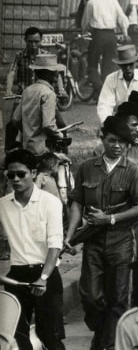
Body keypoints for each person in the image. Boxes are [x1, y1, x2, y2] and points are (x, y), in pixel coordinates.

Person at [64, 116, 138, 350]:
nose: (117, 146)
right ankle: (102, 331)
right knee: (91, 297)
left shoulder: (134, 171)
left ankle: (111, 344)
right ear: (102, 139)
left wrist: (110, 218)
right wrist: (70, 235)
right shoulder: (86, 168)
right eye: (112, 140)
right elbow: (77, 202)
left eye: (122, 142)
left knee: (119, 299)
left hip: (121, 242)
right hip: (92, 242)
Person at [0, 150, 65, 350]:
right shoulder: (2, 205)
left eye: (21, 174)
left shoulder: (50, 203)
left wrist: (43, 278)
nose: (16, 179)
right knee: (15, 337)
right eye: (11, 175)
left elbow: (55, 245)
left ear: (34, 172)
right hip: (17, 275)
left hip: (45, 274)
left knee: (50, 337)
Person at [81, 0, 130, 91]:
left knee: (92, 64)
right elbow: (122, 18)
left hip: (97, 35)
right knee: (109, 65)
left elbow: (85, 22)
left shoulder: (91, 2)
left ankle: (99, 89)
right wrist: (125, 33)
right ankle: (107, 90)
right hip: (111, 35)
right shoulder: (112, 0)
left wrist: (84, 35)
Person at [11, 54, 63, 156]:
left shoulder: (27, 90)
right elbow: (48, 125)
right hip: (42, 149)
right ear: (47, 74)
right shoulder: (48, 94)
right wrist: (59, 135)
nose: (57, 74)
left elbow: (16, 119)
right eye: (54, 71)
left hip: (26, 146)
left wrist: (27, 131)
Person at [97, 45, 138, 123]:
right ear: (119, 65)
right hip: (119, 120)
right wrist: (107, 123)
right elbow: (105, 105)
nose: (127, 68)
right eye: (124, 65)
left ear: (136, 63)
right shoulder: (111, 78)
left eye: (130, 64)